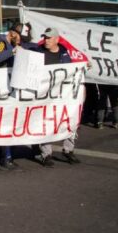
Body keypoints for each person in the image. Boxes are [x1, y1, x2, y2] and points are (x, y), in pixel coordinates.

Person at [35, 27, 79, 167]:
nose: (46, 40)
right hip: (44, 96)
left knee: (69, 121)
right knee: (45, 124)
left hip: (63, 96)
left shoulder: (64, 53)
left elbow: (72, 72)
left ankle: (68, 150)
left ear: (56, 39)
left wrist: (83, 68)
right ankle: (46, 154)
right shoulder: (38, 52)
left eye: (49, 38)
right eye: (45, 37)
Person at [0, 22, 25, 170]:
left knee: (5, 124)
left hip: (5, 89)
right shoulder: (1, 43)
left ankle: (0, 157)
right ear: (12, 33)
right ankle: (6, 159)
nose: (21, 40)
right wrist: (12, 52)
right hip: (1, 91)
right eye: (20, 36)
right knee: (7, 123)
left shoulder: (10, 44)